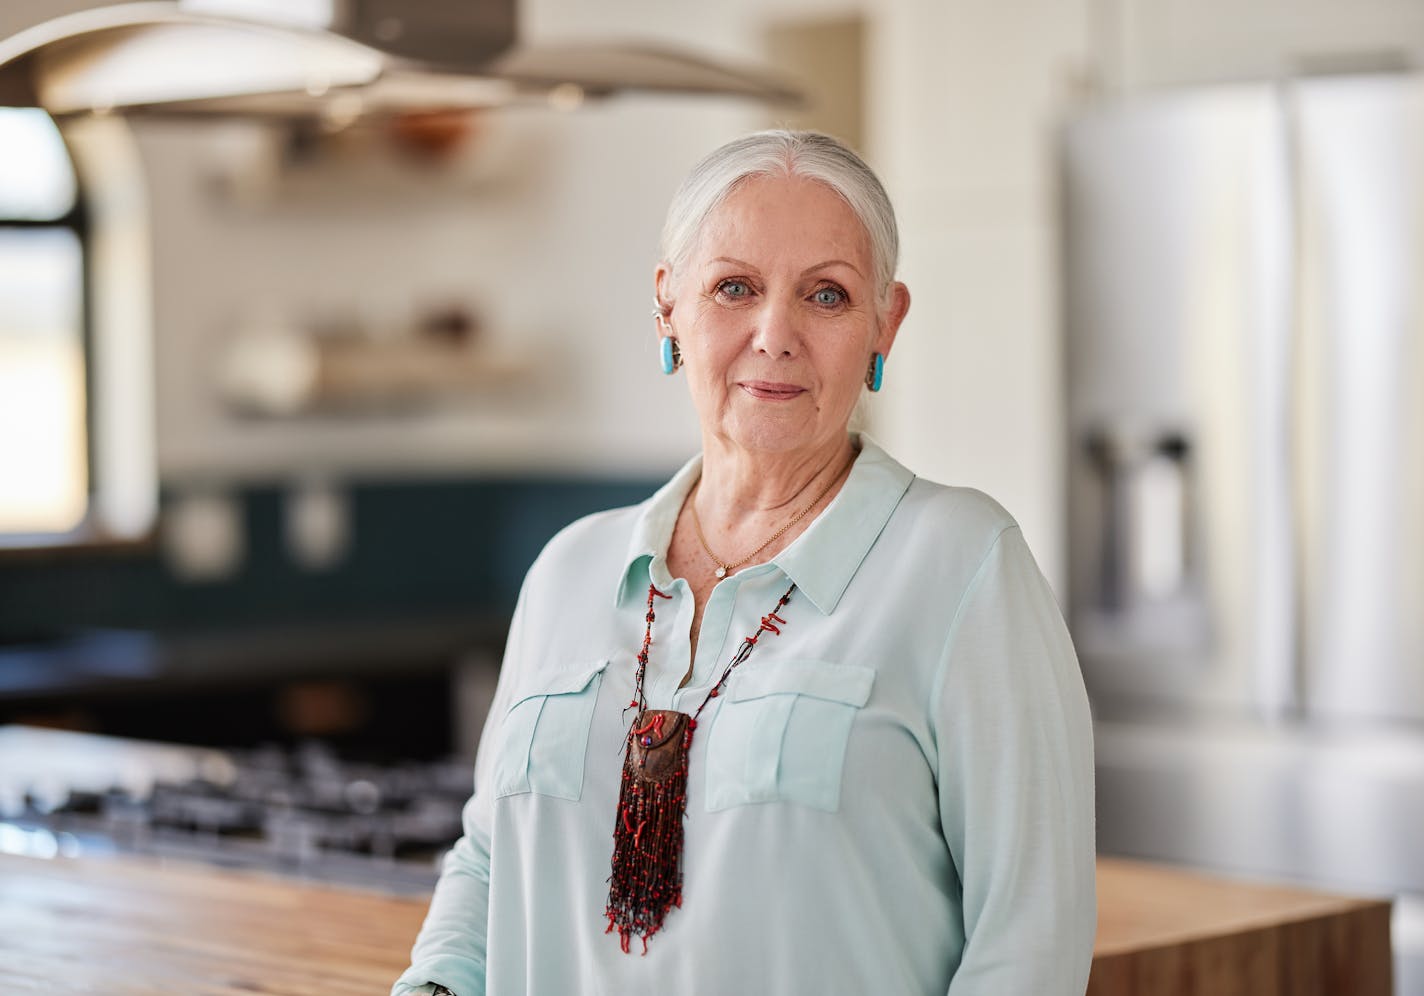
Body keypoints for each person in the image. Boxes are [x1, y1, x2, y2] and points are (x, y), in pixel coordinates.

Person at [392, 130, 1096, 996]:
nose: (776, 334)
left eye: (827, 295)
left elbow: (1028, 945)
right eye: (734, 287)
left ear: (886, 321)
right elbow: (489, 860)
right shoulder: (567, 572)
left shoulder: (964, 567)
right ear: (668, 307)